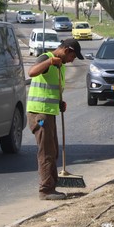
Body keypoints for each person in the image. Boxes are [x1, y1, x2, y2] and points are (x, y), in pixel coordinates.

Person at [27, 38, 84, 200]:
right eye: (73, 56)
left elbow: (52, 89)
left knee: (53, 151)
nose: (72, 60)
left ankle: (52, 186)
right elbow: (31, 72)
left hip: (49, 112)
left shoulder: (60, 66)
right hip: (39, 113)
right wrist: (50, 62)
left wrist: (60, 102)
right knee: (46, 152)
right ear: (67, 50)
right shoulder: (46, 58)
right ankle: (45, 190)